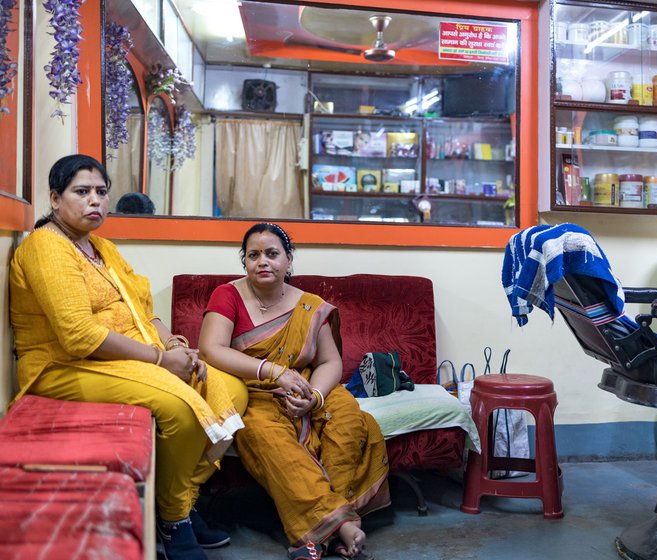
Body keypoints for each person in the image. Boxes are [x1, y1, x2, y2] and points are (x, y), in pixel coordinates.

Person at [9, 154, 248, 560]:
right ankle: (174, 521)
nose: (95, 201)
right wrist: (159, 361)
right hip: (62, 367)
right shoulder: (46, 247)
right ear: (54, 198)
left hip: (123, 358)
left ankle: (181, 501)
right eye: (81, 192)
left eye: (101, 192)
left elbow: (143, 309)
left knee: (232, 390)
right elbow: (78, 336)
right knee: (180, 408)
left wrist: (173, 345)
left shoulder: (99, 246)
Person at [198, 223, 389, 560]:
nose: (262, 262)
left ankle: (324, 529)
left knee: (351, 422)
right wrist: (274, 372)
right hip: (256, 391)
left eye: (272, 254)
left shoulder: (310, 305)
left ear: (288, 260)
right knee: (263, 438)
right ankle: (342, 527)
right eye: (253, 255)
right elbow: (211, 350)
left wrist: (313, 397)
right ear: (244, 262)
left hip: (309, 386)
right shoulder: (227, 295)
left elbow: (330, 362)